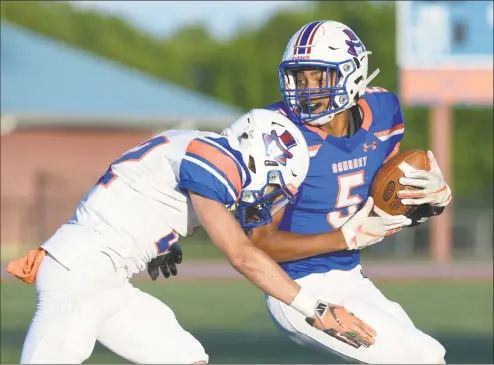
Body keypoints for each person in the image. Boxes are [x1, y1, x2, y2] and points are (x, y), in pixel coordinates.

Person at [7, 109, 377, 364]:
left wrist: (156, 239)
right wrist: (316, 309)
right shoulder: (214, 157)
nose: (269, 198)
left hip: (105, 278)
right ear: (258, 156)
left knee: (183, 356)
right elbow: (241, 255)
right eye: (274, 186)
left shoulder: (198, 145)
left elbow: (142, 192)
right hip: (81, 273)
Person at [226, 21, 452, 364]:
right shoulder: (280, 135)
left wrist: (430, 201)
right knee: (417, 359)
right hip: (296, 288)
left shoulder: (383, 114)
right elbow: (258, 243)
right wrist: (343, 238)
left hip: (351, 277)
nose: (307, 89)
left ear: (353, 73)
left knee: (430, 353)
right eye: (300, 79)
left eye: (319, 77)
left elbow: (385, 202)